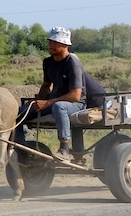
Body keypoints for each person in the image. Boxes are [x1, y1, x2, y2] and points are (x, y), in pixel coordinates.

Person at [16, 27, 107, 162]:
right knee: (18, 113)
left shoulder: (73, 63)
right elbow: (47, 85)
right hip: (56, 101)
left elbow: (75, 96)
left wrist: (47, 103)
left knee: (59, 107)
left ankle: (64, 149)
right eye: (50, 42)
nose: (51, 45)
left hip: (77, 104)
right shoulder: (48, 62)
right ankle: (21, 150)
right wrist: (38, 101)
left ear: (65, 45)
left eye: (55, 43)